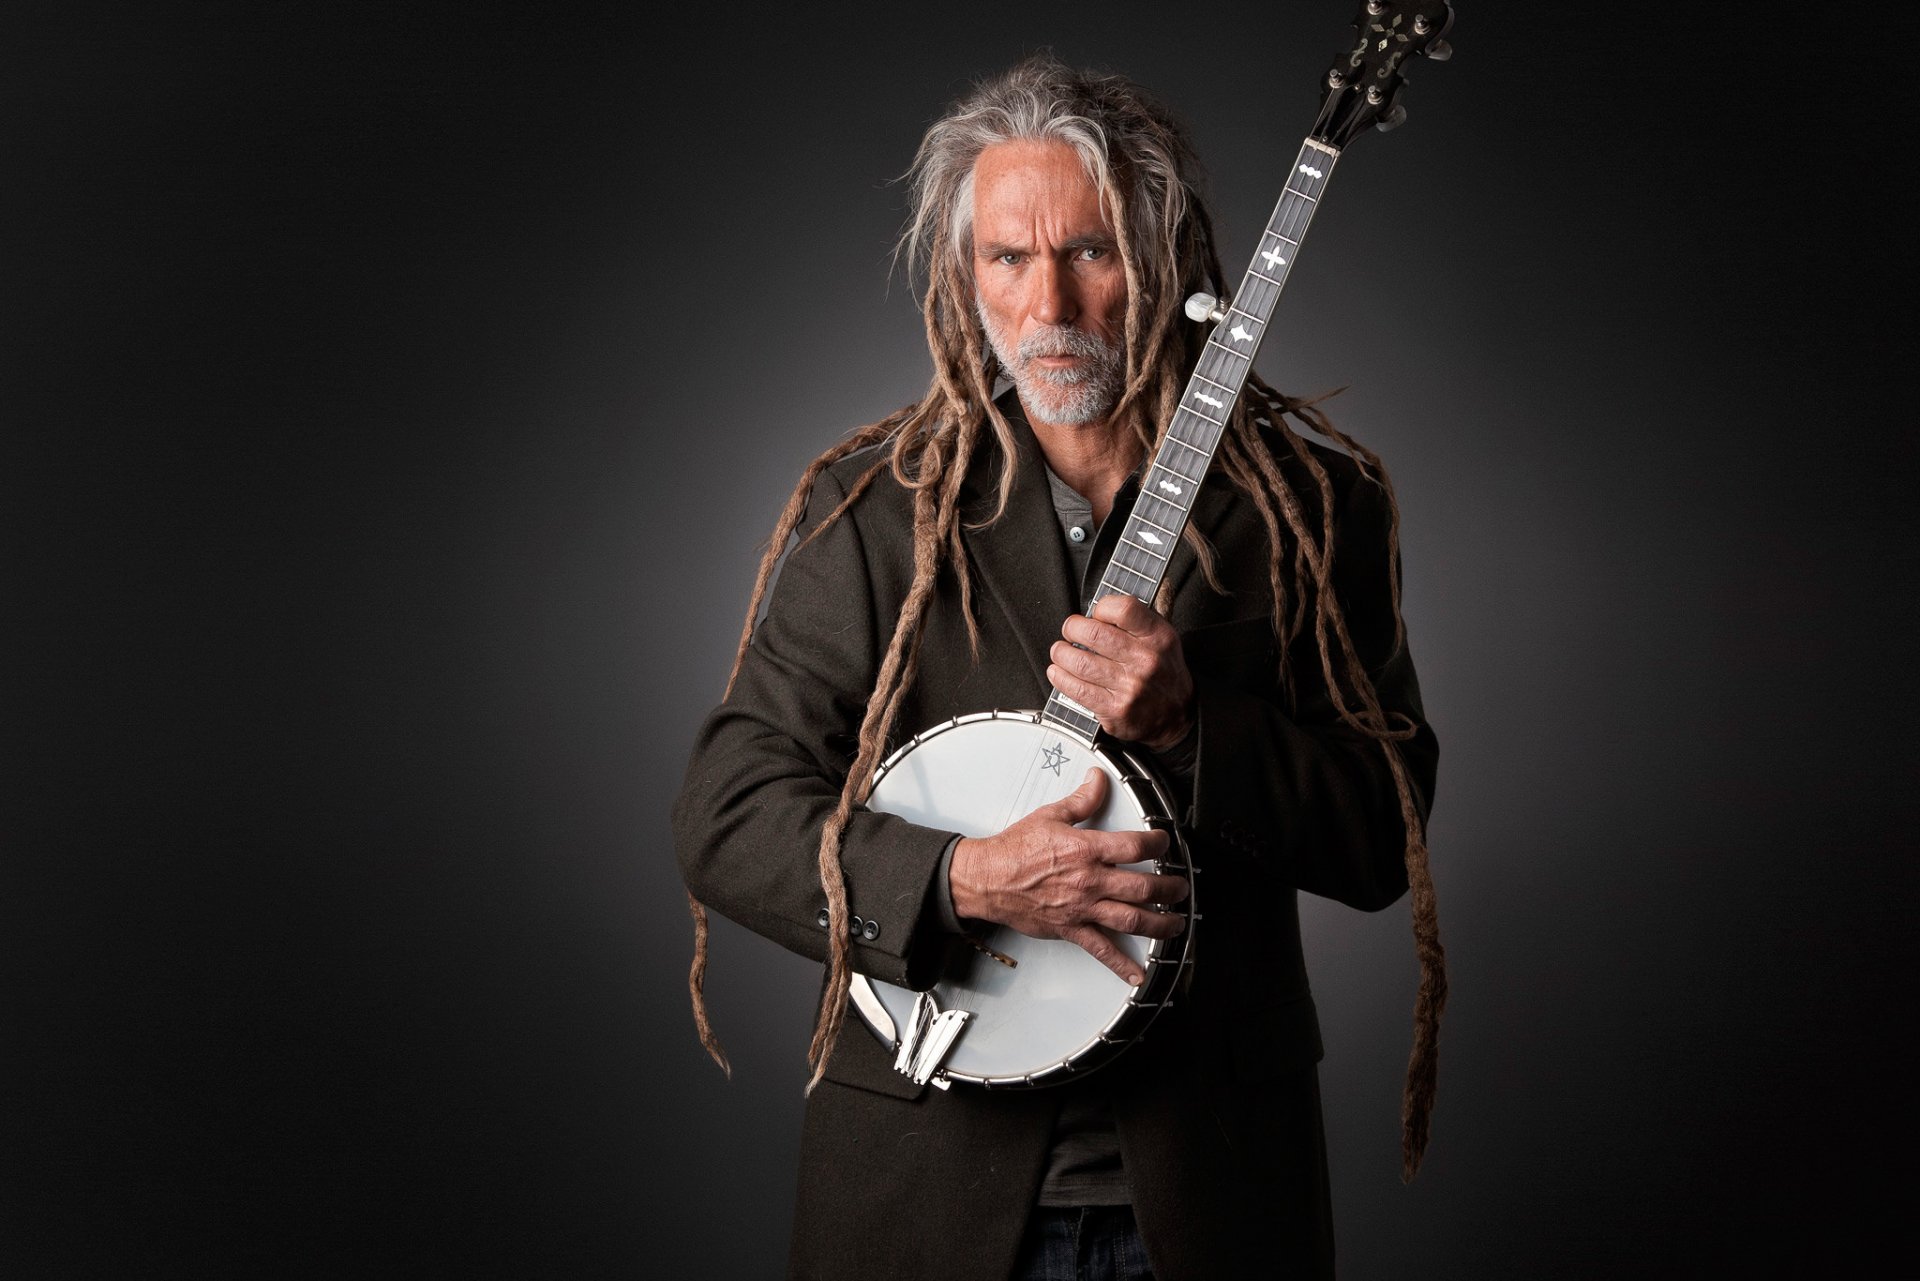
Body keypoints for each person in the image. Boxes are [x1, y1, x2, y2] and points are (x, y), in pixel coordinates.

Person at [672, 54, 1444, 1281]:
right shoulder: (879, 509)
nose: (1050, 307)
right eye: (1008, 259)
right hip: (921, 1186)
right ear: (963, 277)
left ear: (1168, 257)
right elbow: (727, 814)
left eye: (1090, 252)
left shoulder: (1308, 507)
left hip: (1208, 1188)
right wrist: (961, 881)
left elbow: (1377, 833)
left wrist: (1198, 725)